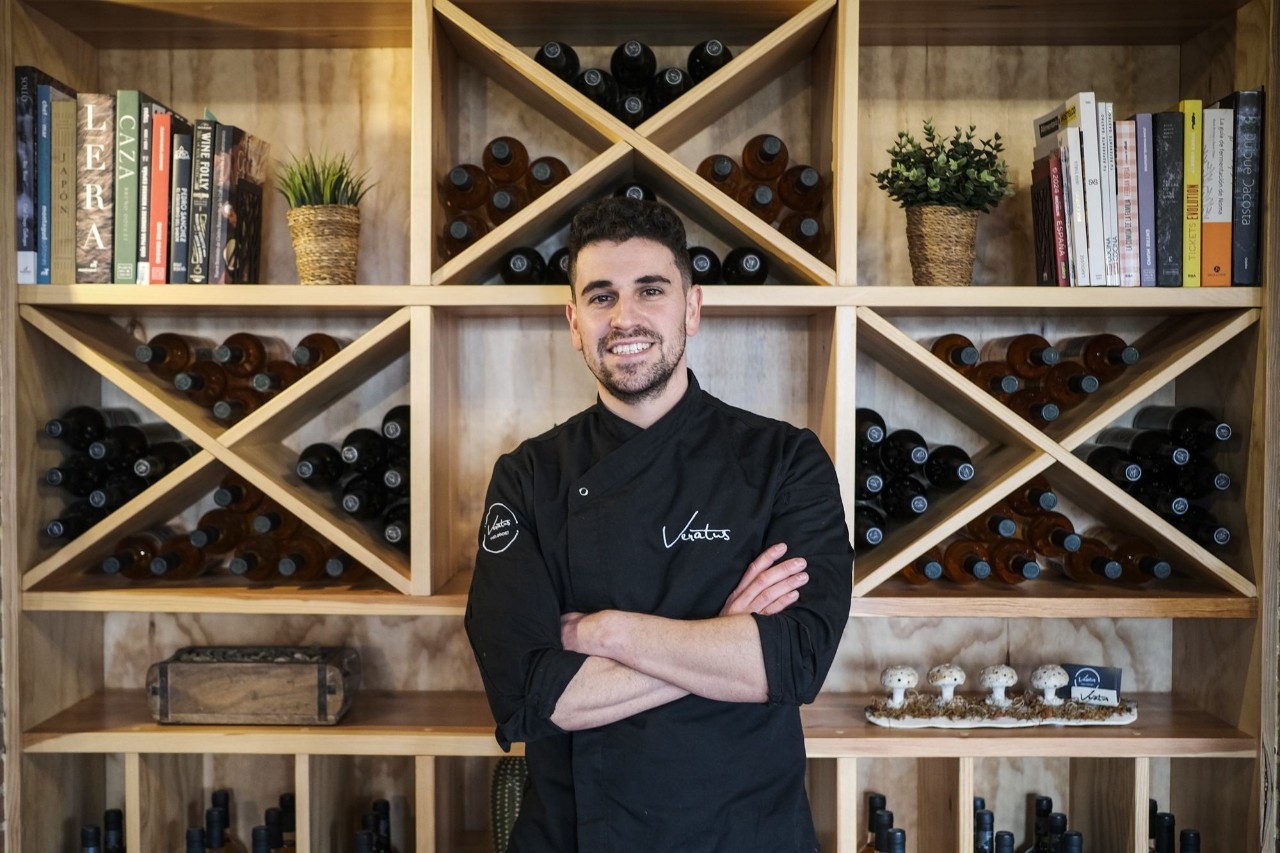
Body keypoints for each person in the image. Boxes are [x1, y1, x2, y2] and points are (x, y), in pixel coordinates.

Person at [465, 196, 853, 852]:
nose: (625, 318)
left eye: (650, 290)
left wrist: (602, 631)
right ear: (573, 321)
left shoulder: (785, 460)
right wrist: (724, 638)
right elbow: (534, 698)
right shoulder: (529, 477)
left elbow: (794, 661)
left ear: (692, 308)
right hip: (578, 835)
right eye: (600, 296)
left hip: (746, 832)